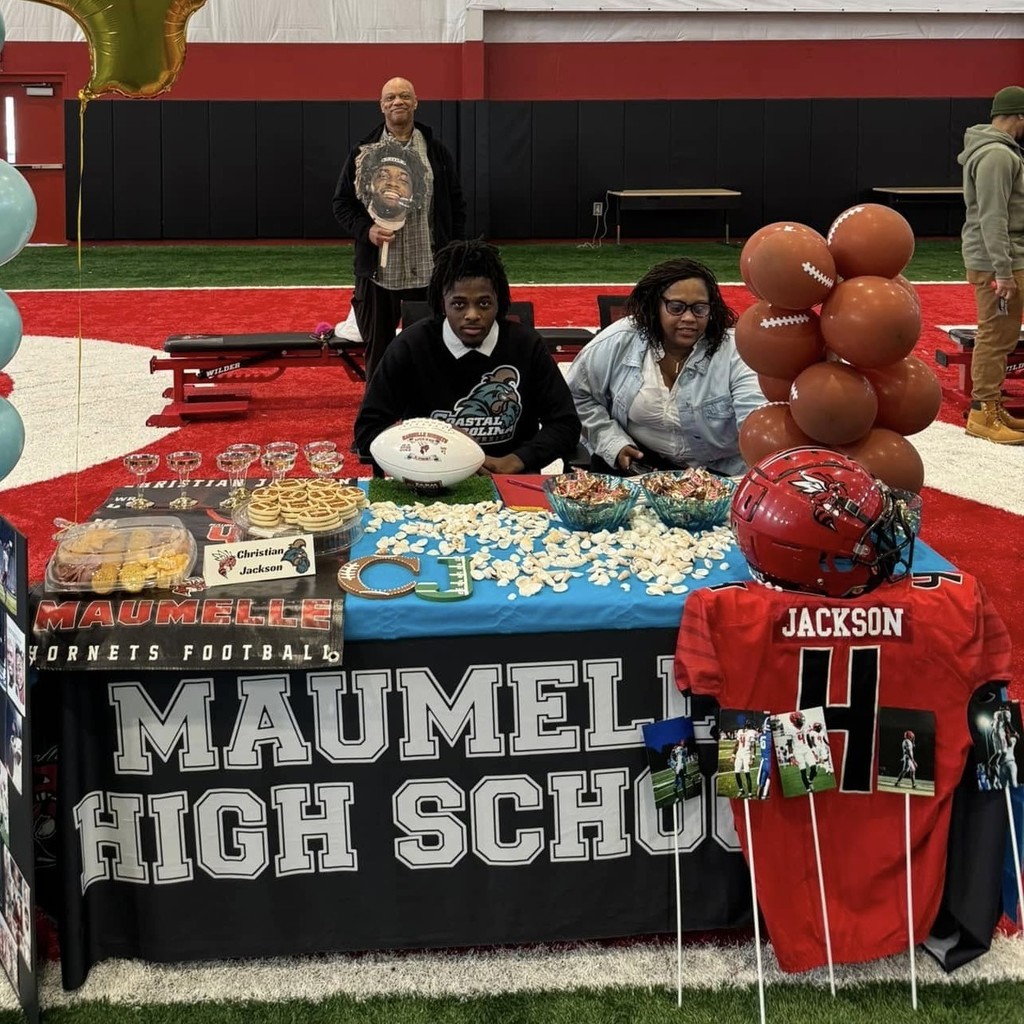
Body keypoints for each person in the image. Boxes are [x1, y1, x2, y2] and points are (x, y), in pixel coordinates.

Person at [353, 239, 581, 475]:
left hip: (510, 480)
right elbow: (368, 429)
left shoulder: (527, 345)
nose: (472, 315)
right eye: (459, 304)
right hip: (429, 480)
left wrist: (516, 460)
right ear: (442, 304)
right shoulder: (410, 346)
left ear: (499, 303)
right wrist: (430, 450)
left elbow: (565, 423)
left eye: (484, 303)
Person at [565, 257, 764, 476]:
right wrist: (612, 442)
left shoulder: (737, 352)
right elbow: (576, 397)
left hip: (722, 474)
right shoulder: (619, 340)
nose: (689, 318)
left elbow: (755, 420)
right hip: (638, 468)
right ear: (655, 306)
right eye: (676, 307)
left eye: (699, 309)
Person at [333, 76, 466, 379]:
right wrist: (367, 230)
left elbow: (456, 205)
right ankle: (378, 417)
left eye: (404, 96)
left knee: (429, 352)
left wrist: (452, 253)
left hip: (428, 271)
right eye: (391, 98)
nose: (398, 102)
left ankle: (425, 415)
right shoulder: (363, 152)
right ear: (381, 106)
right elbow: (341, 204)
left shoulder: (436, 152)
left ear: (415, 102)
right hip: (380, 276)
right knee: (378, 358)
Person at [958, 85, 1024, 444]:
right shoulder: (998, 156)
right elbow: (993, 217)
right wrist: (1003, 271)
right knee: (996, 337)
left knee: (1001, 335)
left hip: (1003, 258)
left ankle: (992, 407)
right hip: (1000, 261)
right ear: (1020, 117)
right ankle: (984, 414)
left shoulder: (995, 152)